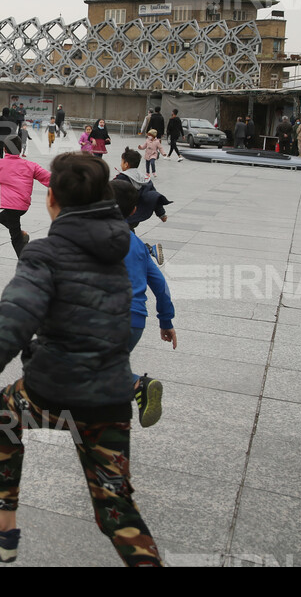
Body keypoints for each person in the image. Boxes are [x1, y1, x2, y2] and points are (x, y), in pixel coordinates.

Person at [0, 152, 162, 567]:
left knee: (4, 410)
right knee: (116, 506)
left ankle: (3, 523)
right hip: (112, 394)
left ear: (51, 200)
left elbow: (11, 324)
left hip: (55, 389)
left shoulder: (44, 253)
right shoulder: (119, 248)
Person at [109, 180, 177, 428]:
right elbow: (160, 286)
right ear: (133, 211)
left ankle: (139, 385)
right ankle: (107, 428)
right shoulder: (138, 245)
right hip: (135, 323)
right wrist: (166, 321)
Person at [0, 139, 50, 258]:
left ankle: (26, 264)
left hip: (10, 206)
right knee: (1, 218)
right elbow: (48, 178)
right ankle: (21, 234)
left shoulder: (0, 164)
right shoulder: (30, 165)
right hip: (23, 206)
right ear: (20, 150)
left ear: (4, 149)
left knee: (15, 238)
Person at [113, 148, 172, 249]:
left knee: (125, 236)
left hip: (126, 214)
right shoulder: (144, 179)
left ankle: (148, 249)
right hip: (138, 214)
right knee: (129, 234)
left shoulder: (122, 178)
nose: (121, 164)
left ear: (126, 164)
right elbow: (153, 195)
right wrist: (161, 214)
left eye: (122, 162)